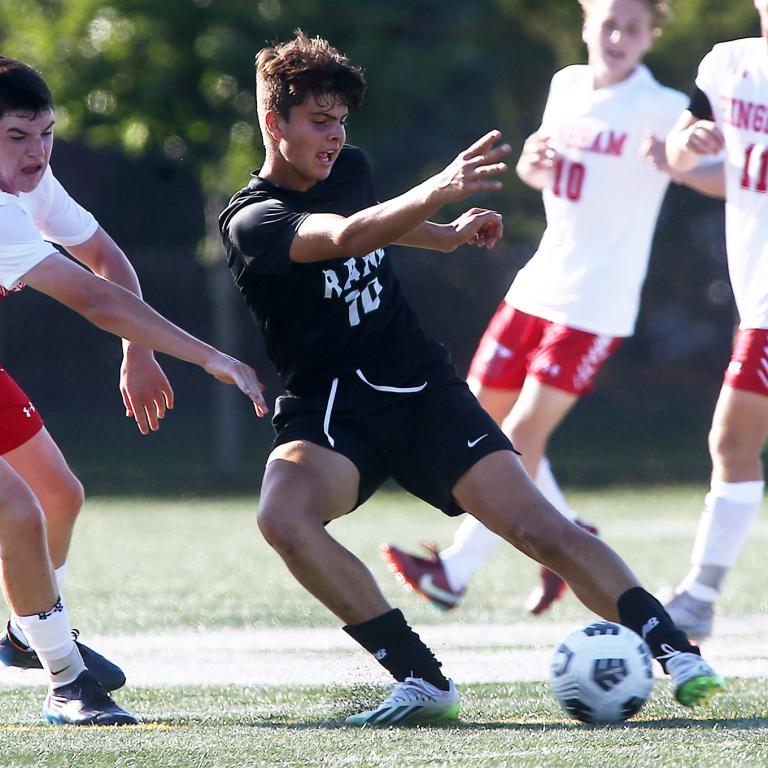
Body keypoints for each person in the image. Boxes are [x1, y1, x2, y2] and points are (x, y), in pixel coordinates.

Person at [219, 30, 723, 726]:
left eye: (340, 121)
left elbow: (371, 222)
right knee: (283, 517)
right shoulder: (250, 220)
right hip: (331, 411)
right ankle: (422, 679)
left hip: (417, 389)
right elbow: (340, 237)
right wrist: (438, 189)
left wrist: (446, 231)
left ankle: (676, 650)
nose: (334, 136)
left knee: (540, 530)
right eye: (318, 122)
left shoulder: (349, 166)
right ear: (274, 123)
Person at [0, 55, 267, 726]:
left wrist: (140, 350)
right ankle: (66, 682)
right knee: (18, 512)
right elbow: (95, 300)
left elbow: (108, 260)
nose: (37, 152)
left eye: (46, 134)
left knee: (60, 494)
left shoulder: (27, 179)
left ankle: (25, 634)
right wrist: (209, 356)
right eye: (18, 136)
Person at [382, 0, 723, 616]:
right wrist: (534, 169)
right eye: (609, 23)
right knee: (479, 418)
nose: (619, 36)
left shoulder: (665, 106)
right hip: (537, 282)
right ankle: (569, 538)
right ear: (587, 24)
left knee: (521, 436)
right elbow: (546, 172)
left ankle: (455, 572)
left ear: (651, 36)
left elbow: (719, 174)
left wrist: (677, 161)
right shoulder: (565, 85)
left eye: (634, 27)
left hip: (597, 300)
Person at [662, 0, 768, 639]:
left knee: (731, 439)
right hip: (755, 296)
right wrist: (684, 143)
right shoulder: (728, 64)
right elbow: (690, 158)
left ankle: (698, 599)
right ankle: (699, 598)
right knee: (732, 444)